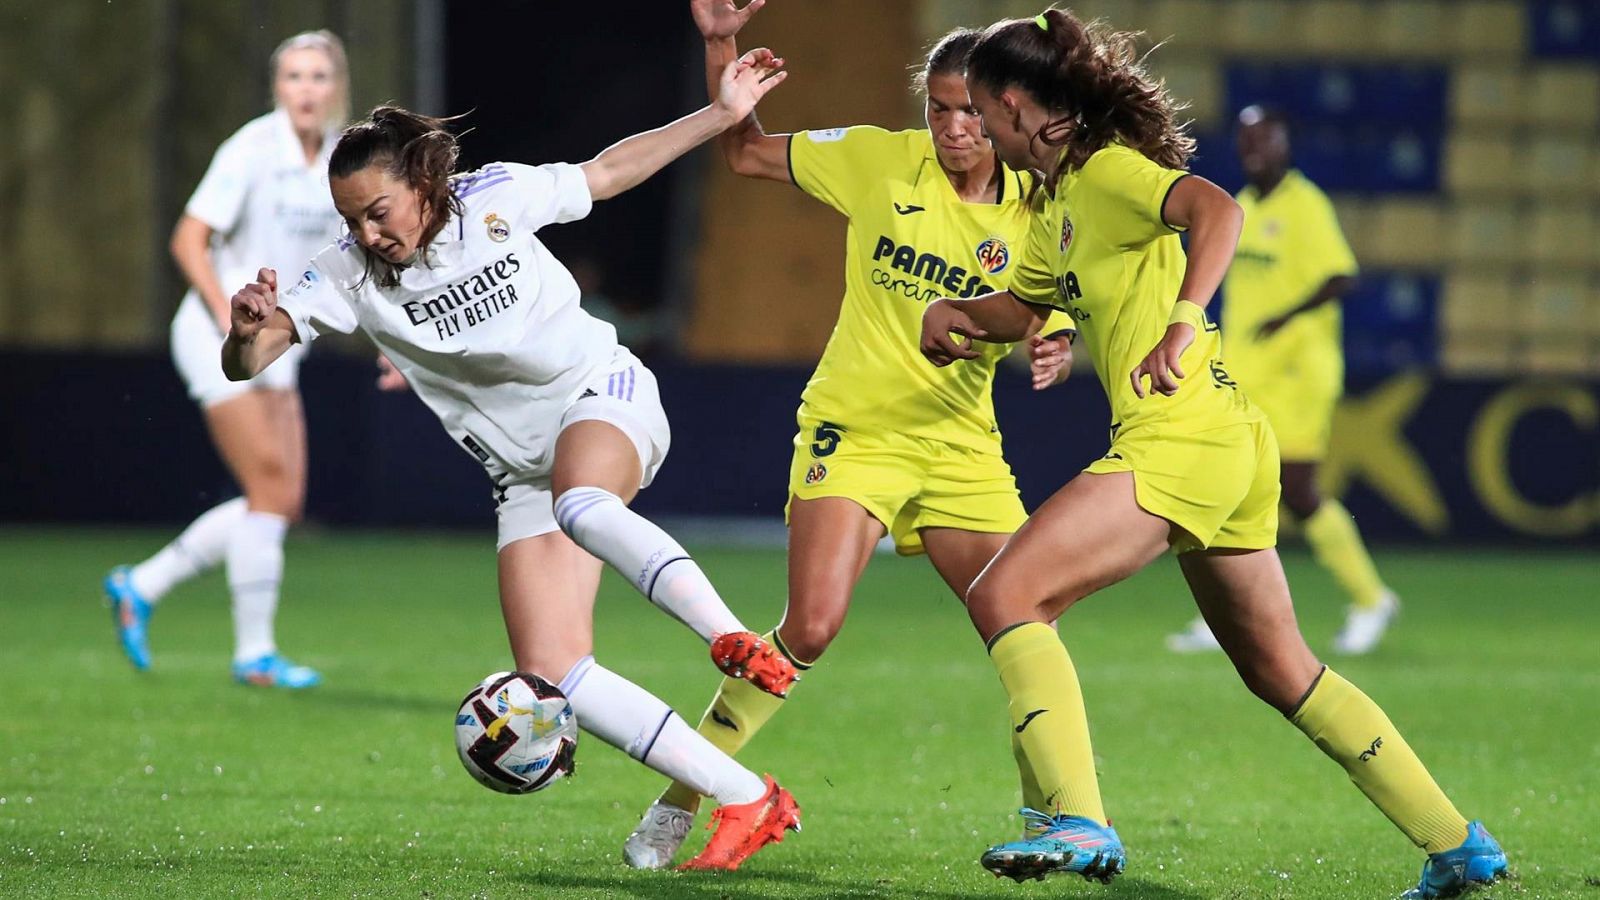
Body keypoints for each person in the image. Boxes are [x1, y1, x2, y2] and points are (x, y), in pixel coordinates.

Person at [917, 11, 1506, 898]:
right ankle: (1457, 844)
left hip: (1182, 436)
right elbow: (1024, 306)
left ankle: (1080, 821)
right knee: (1283, 672)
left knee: (1005, 592)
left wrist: (1186, 321)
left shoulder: (1110, 173)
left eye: (980, 115)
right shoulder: (1058, 204)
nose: (977, 135)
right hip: (1225, 444)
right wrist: (955, 314)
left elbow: (1215, 210)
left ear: (1008, 105)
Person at [219, 50, 803, 871]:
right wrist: (246, 332)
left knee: (582, 502)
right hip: (522, 475)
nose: (368, 234)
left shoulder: (493, 198)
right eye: (352, 219)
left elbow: (606, 173)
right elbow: (248, 361)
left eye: (379, 211)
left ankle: (732, 636)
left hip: (603, 397)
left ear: (422, 184)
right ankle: (749, 798)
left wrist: (719, 113)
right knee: (552, 672)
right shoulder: (347, 273)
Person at [622, 0, 1077, 869]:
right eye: (938, 109)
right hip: (856, 430)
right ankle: (684, 795)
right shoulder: (877, 160)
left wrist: (1052, 340)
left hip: (961, 448)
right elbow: (747, 151)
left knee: (1025, 621)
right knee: (813, 626)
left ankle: (1056, 816)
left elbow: (1041, 309)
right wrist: (721, 46)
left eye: (969, 111)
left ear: (1004, 110)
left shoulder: (1038, 206)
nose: (952, 128)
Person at [105, 31, 351, 688]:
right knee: (269, 491)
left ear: (337, 87)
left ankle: (141, 584)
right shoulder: (251, 148)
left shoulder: (338, 158)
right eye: (294, 76)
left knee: (283, 498)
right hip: (223, 334)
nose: (306, 89)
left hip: (281, 338)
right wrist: (224, 312)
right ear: (277, 87)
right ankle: (254, 654)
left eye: (319, 76)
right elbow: (189, 238)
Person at [1167, 104, 1398, 656]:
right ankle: (1227, 616)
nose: (1254, 150)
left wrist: (1286, 317)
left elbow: (1342, 276)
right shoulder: (1241, 206)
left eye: (1264, 139)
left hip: (1298, 373)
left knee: (1297, 490)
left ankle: (1370, 599)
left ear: (1284, 143)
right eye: (1245, 141)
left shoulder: (1305, 205)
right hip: (1246, 372)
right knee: (1230, 486)